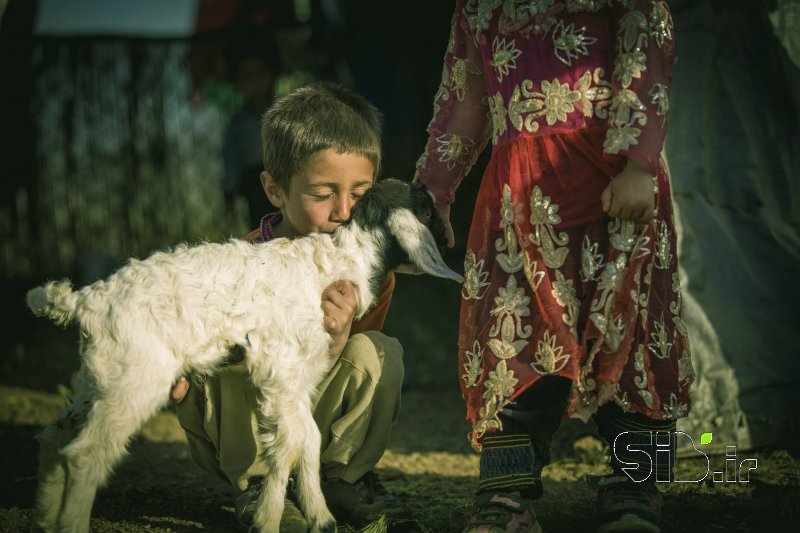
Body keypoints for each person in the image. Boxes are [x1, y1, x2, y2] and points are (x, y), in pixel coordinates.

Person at [413, 2, 692, 532]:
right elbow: (465, 96)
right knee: (512, 336)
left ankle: (635, 491)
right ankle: (505, 496)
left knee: (625, 335)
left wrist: (638, 163)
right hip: (520, 197)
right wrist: (435, 190)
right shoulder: (480, 4)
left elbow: (647, 46)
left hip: (611, 182)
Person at [172, 81, 408, 531]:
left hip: (313, 416)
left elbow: (346, 373)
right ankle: (261, 485)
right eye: (322, 195)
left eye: (360, 195)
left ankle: (342, 478)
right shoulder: (242, 261)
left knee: (380, 352)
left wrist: (337, 338)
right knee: (245, 352)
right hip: (240, 428)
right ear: (275, 190)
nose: (344, 211)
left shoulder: (369, 278)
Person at [221, 29, 282, 229]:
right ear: (238, 82)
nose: (255, 81)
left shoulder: (287, 112)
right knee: (262, 229)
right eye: (247, 75)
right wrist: (228, 193)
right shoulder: (237, 122)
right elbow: (230, 158)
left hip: (285, 178)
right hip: (253, 186)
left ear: (273, 74)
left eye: (261, 72)